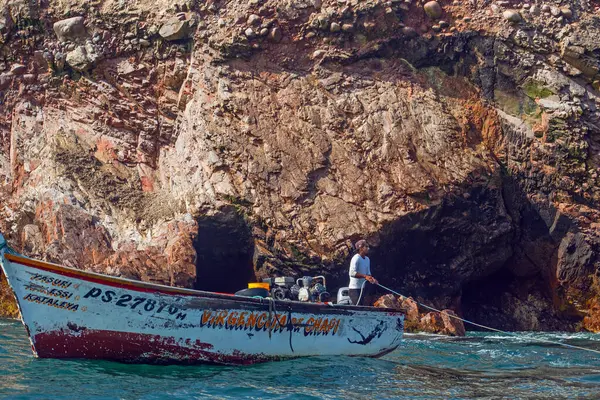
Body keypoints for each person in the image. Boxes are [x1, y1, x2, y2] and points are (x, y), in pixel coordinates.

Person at [348, 239, 378, 306]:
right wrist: (365, 276)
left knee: (362, 307)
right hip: (354, 290)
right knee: (358, 308)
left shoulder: (367, 259)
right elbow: (352, 273)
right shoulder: (356, 258)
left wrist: (372, 279)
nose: (368, 248)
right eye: (366, 247)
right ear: (361, 248)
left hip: (362, 289)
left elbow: (368, 273)